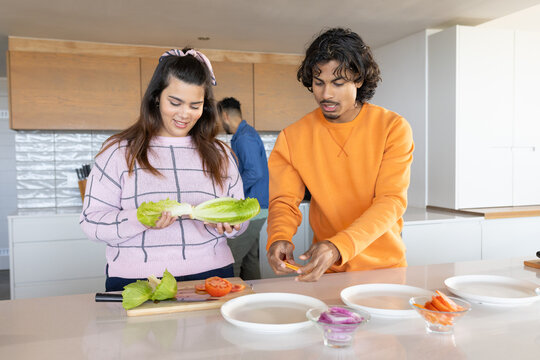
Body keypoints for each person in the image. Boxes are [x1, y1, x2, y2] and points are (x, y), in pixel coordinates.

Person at [80, 48, 247, 292]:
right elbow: (91, 223)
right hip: (138, 279)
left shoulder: (220, 154)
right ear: (157, 97)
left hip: (213, 275)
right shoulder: (118, 152)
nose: (184, 114)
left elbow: (239, 217)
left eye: (195, 105)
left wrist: (230, 225)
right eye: (175, 102)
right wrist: (141, 218)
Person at [266, 28, 414, 282]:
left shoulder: (392, 127)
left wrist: (338, 246)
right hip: (327, 271)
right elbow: (284, 201)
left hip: (386, 268)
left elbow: (391, 201)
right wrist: (279, 237)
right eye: (319, 82)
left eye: (338, 83)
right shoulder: (292, 137)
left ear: (358, 79)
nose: (326, 95)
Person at [217, 97, 269, 280]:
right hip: (257, 208)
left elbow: (255, 172)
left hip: (253, 209)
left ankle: (231, 301)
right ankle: (253, 300)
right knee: (250, 260)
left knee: (232, 260)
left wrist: (233, 194)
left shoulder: (245, 137)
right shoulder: (244, 135)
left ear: (224, 115)